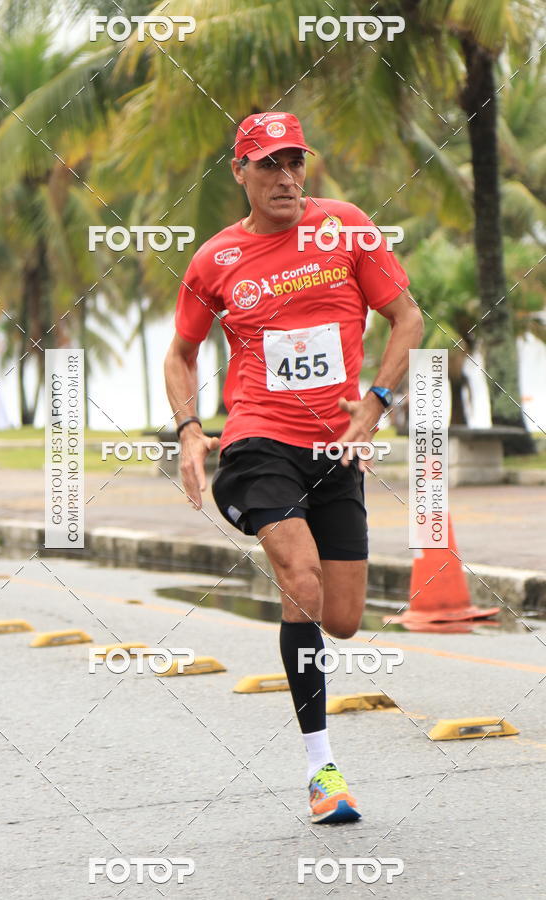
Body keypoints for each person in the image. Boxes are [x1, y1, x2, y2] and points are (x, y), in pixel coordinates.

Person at [164, 111, 423, 824]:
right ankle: (322, 771)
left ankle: (294, 578)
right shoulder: (214, 261)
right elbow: (180, 353)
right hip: (257, 443)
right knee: (301, 579)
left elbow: (408, 318)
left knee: (340, 619)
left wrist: (375, 404)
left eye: (294, 162)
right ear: (239, 172)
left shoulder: (346, 227)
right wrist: (190, 430)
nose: (285, 177)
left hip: (337, 448)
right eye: (268, 164)